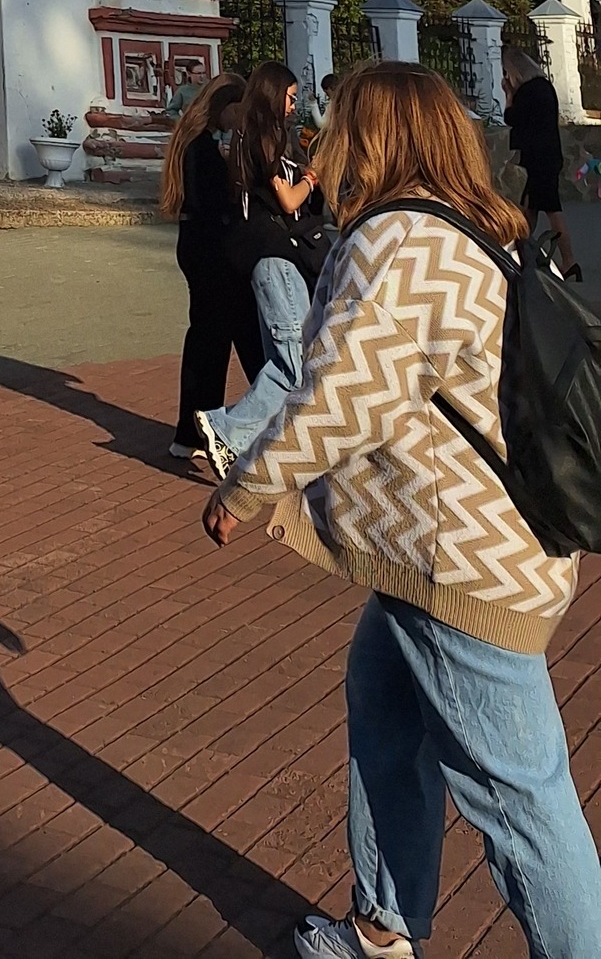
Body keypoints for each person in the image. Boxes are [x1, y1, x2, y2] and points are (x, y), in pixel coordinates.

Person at [203, 64, 598, 959]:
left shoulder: (396, 242)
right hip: (471, 542)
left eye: (342, 122)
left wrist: (246, 489)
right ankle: (382, 928)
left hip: (455, 559)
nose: (328, 139)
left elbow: (340, 400)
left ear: (371, 134)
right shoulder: (473, 228)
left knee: (524, 805)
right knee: (383, 702)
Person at [192, 59, 327, 480]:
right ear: (274, 95)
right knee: (294, 365)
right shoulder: (267, 133)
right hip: (275, 258)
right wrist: (313, 176)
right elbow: (288, 201)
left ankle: (254, 444)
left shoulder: (247, 135)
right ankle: (226, 430)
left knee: (284, 363)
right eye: (290, 97)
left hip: (268, 259)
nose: (293, 106)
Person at [160, 74, 262, 460]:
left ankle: (193, 432)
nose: (241, 119)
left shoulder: (190, 142)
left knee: (209, 339)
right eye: (239, 111)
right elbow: (214, 203)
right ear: (226, 108)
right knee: (238, 337)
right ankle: (224, 427)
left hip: (195, 245)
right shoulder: (202, 149)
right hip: (212, 249)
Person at [503, 46, 583, 285]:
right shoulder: (544, 86)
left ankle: (568, 261)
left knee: (550, 209)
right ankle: (520, 251)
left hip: (539, 158)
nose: (507, 78)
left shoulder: (527, 91)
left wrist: (508, 94)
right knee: (530, 207)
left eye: (508, 73)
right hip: (547, 156)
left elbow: (511, 118)